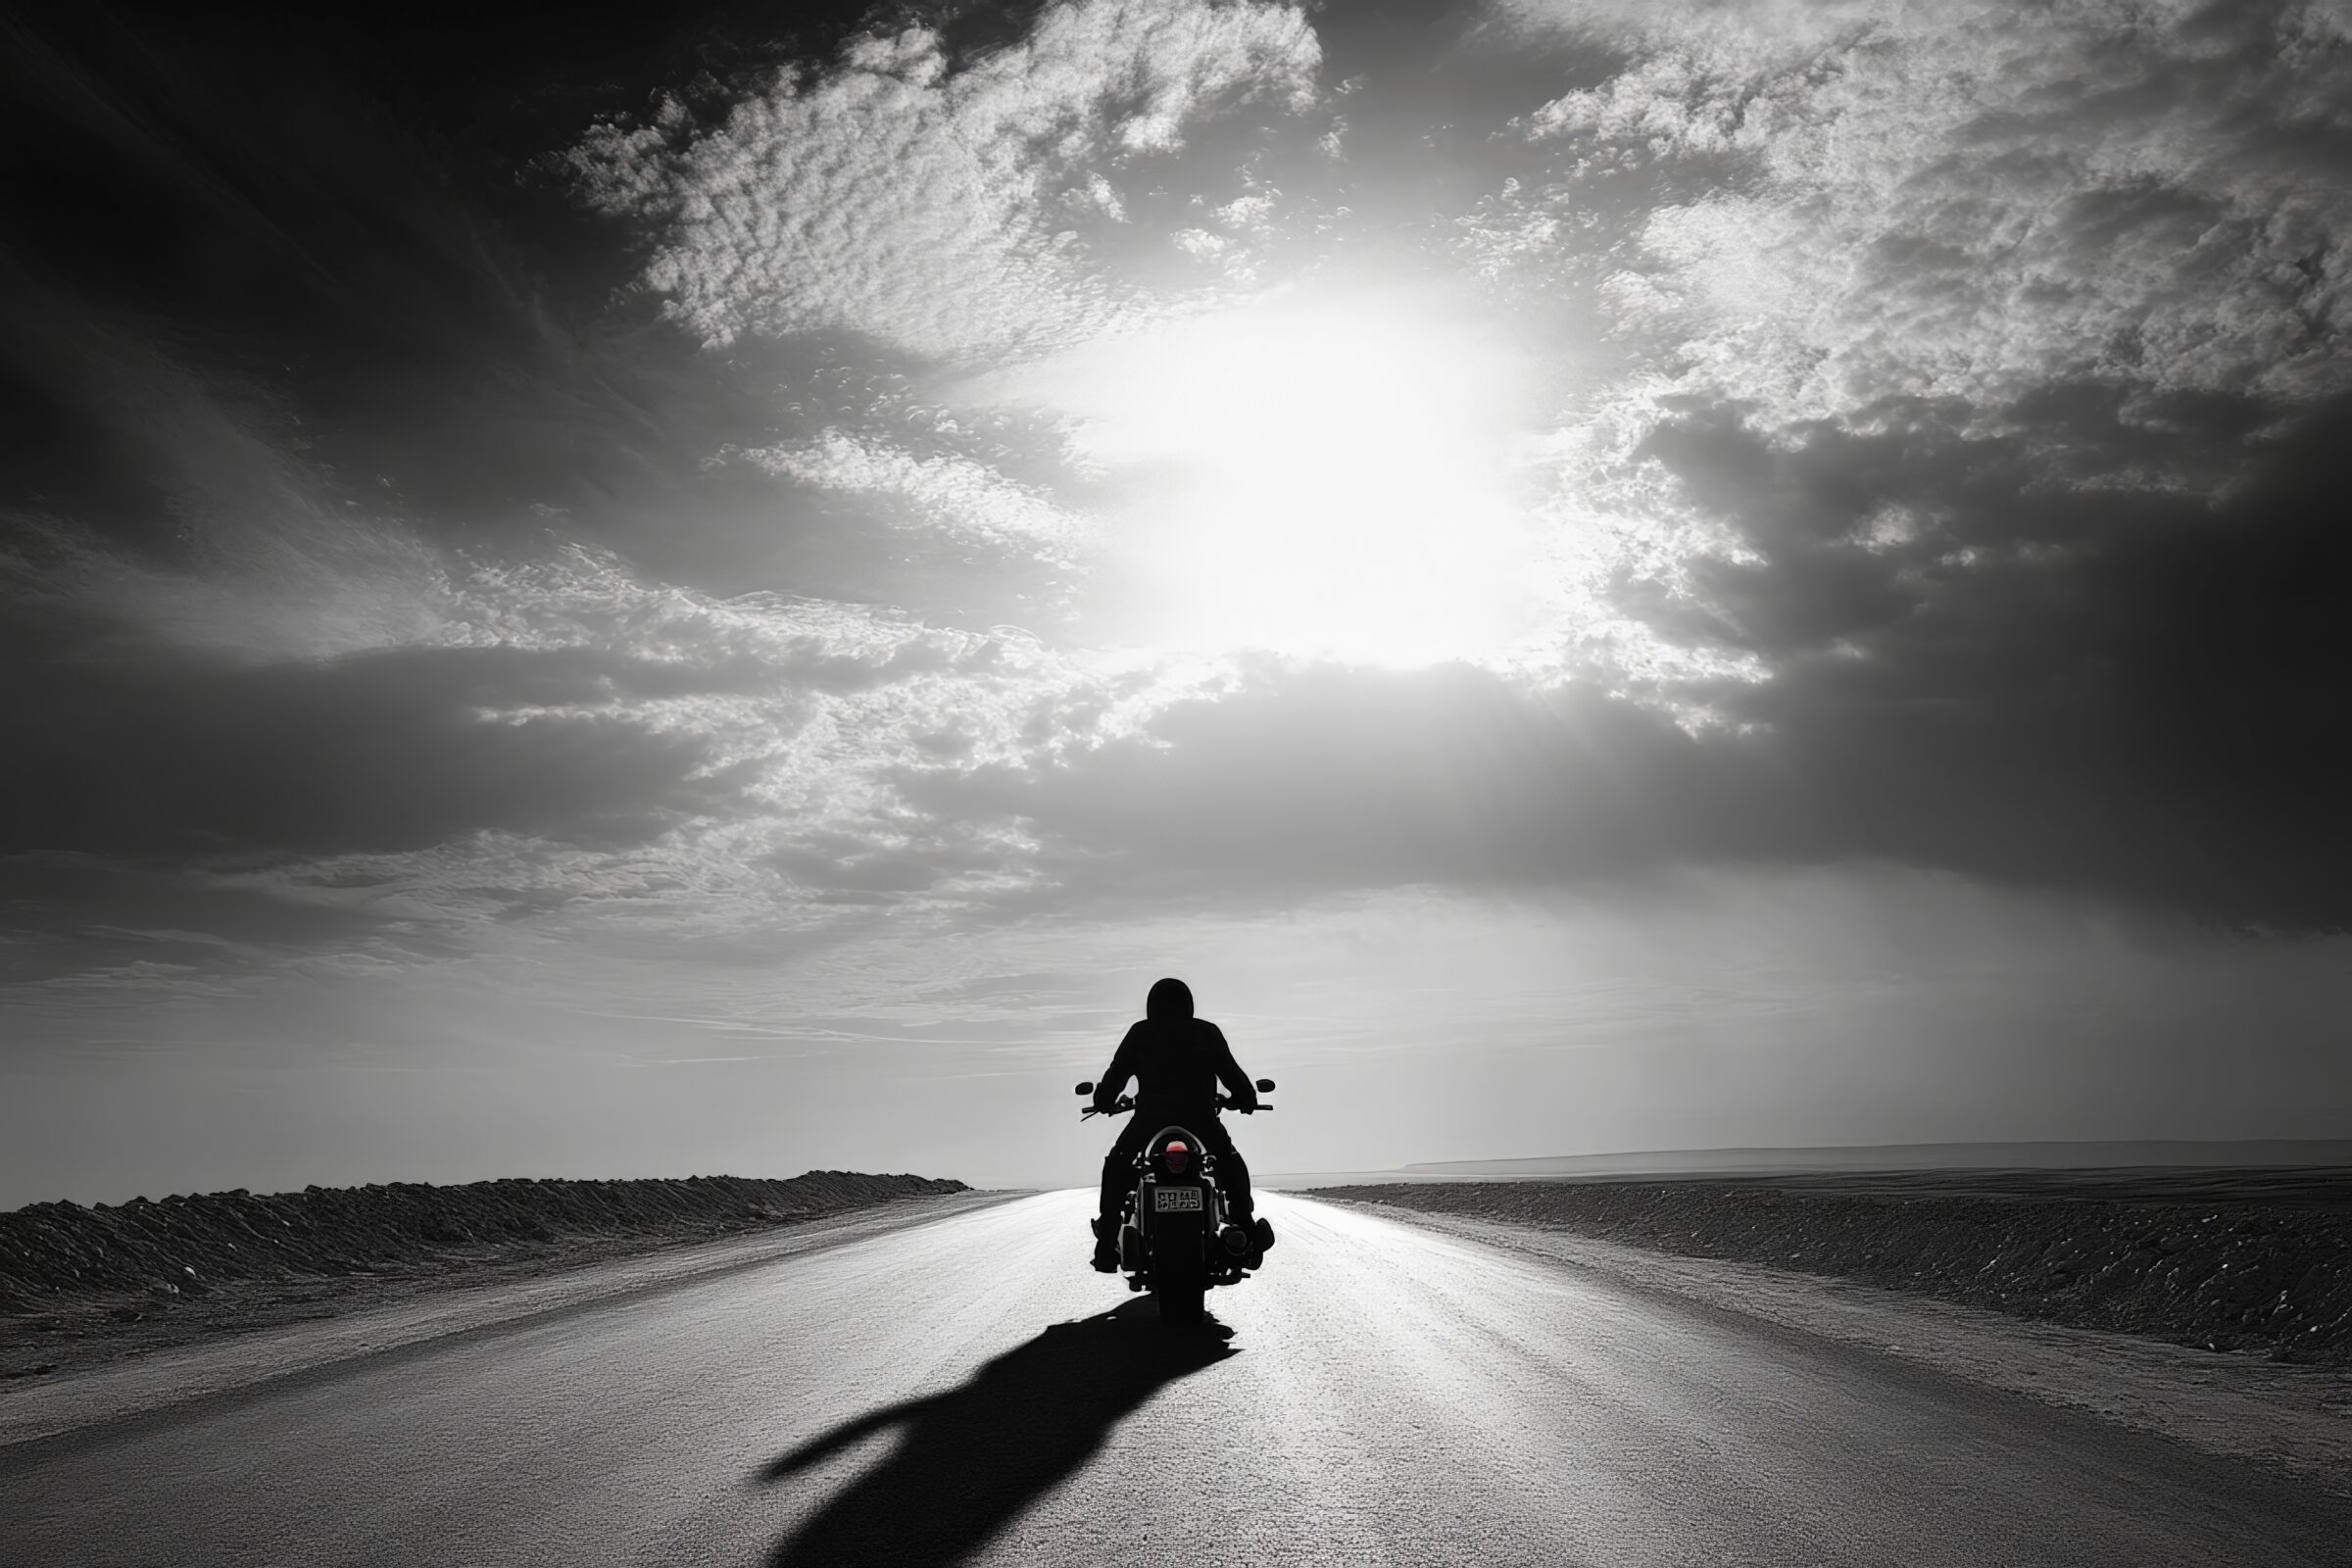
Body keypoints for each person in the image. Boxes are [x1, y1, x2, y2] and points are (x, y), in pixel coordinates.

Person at [1090, 976, 1260, 1272]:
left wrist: (1103, 1101)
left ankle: (1106, 1244)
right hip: (1201, 1118)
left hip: (1149, 1119)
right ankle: (1248, 1232)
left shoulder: (1141, 1033)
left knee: (1117, 1163)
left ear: (1151, 1005)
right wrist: (1245, 1099)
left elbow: (1115, 1075)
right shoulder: (1206, 1033)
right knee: (1228, 1161)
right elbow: (1232, 1073)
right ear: (1188, 1004)